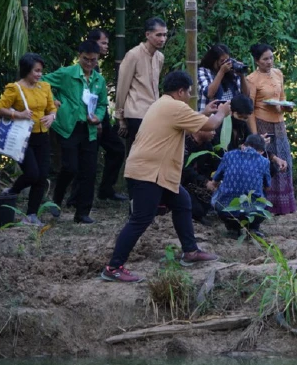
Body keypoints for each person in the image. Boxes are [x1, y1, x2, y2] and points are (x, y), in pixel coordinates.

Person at [103, 71, 230, 282]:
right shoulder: (175, 107)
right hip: (149, 172)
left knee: (182, 201)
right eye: (188, 92)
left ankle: (190, 251)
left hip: (154, 171)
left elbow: (185, 122)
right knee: (141, 219)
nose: (189, 96)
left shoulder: (163, 104)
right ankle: (113, 267)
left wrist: (205, 111)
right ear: (180, 91)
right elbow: (210, 126)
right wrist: (222, 113)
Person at [43, 41, 107, 224]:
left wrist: (98, 117)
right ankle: (56, 199)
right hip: (68, 127)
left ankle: (82, 212)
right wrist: (53, 101)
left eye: (93, 60)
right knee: (70, 167)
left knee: (89, 171)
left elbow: (102, 104)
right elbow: (41, 82)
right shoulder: (66, 73)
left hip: (89, 129)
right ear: (79, 56)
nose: (89, 63)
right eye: (85, 59)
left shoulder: (99, 80)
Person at [0, 53, 58, 225]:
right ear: (26, 70)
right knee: (32, 173)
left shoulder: (45, 87)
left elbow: (52, 108)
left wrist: (52, 116)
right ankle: (12, 191)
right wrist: (18, 114)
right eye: (36, 71)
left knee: (42, 176)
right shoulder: (15, 88)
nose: (39, 74)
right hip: (23, 137)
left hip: (42, 135)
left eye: (40, 71)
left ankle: (31, 215)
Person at [245, 43, 297, 215]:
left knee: (285, 160)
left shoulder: (278, 74)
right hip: (262, 122)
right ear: (257, 61)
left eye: (271, 58)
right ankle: (267, 204)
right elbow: (250, 109)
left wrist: (286, 108)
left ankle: (285, 204)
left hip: (279, 123)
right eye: (265, 59)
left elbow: (282, 99)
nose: (269, 62)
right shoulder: (252, 79)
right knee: (268, 160)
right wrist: (255, 135)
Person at [86, 28, 128, 202]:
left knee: (117, 149)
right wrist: (96, 121)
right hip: (90, 120)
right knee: (88, 159)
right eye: (103, 43)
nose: (106, 47)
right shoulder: (87, 66)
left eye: (107, 44)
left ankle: (106, 189)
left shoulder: (96, 67)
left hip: (101, 118)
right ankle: (77, 197)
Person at [209, 133, 272, 238]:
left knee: (218, 194)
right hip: (253, 209)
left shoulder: (228, 156)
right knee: (264, 197)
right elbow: (268, 187)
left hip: (226, 208)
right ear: (261, 151)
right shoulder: (264, 161)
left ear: (243, 145)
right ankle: (253, 228)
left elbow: (215, 181)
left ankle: (232, 228)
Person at [116, 17, 167, 143]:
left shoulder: (160, 57)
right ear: (147, 35)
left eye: (165, 35)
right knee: (139, 151)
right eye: (158, 35)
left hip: (154, 112)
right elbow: (122, 86)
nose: (162, 39)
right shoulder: (133, 55)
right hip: (136, 113)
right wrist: (120, 116)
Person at [197, 43, 249, 112]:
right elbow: (209, 94)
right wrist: (221, 72)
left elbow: (246, 95)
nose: (225, 63)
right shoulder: (203, 71)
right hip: (211, 115)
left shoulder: (232, 72)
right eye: (222, 61)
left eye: (227, 60)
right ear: (213, 61)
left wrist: (242, 75)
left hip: (231, 114)